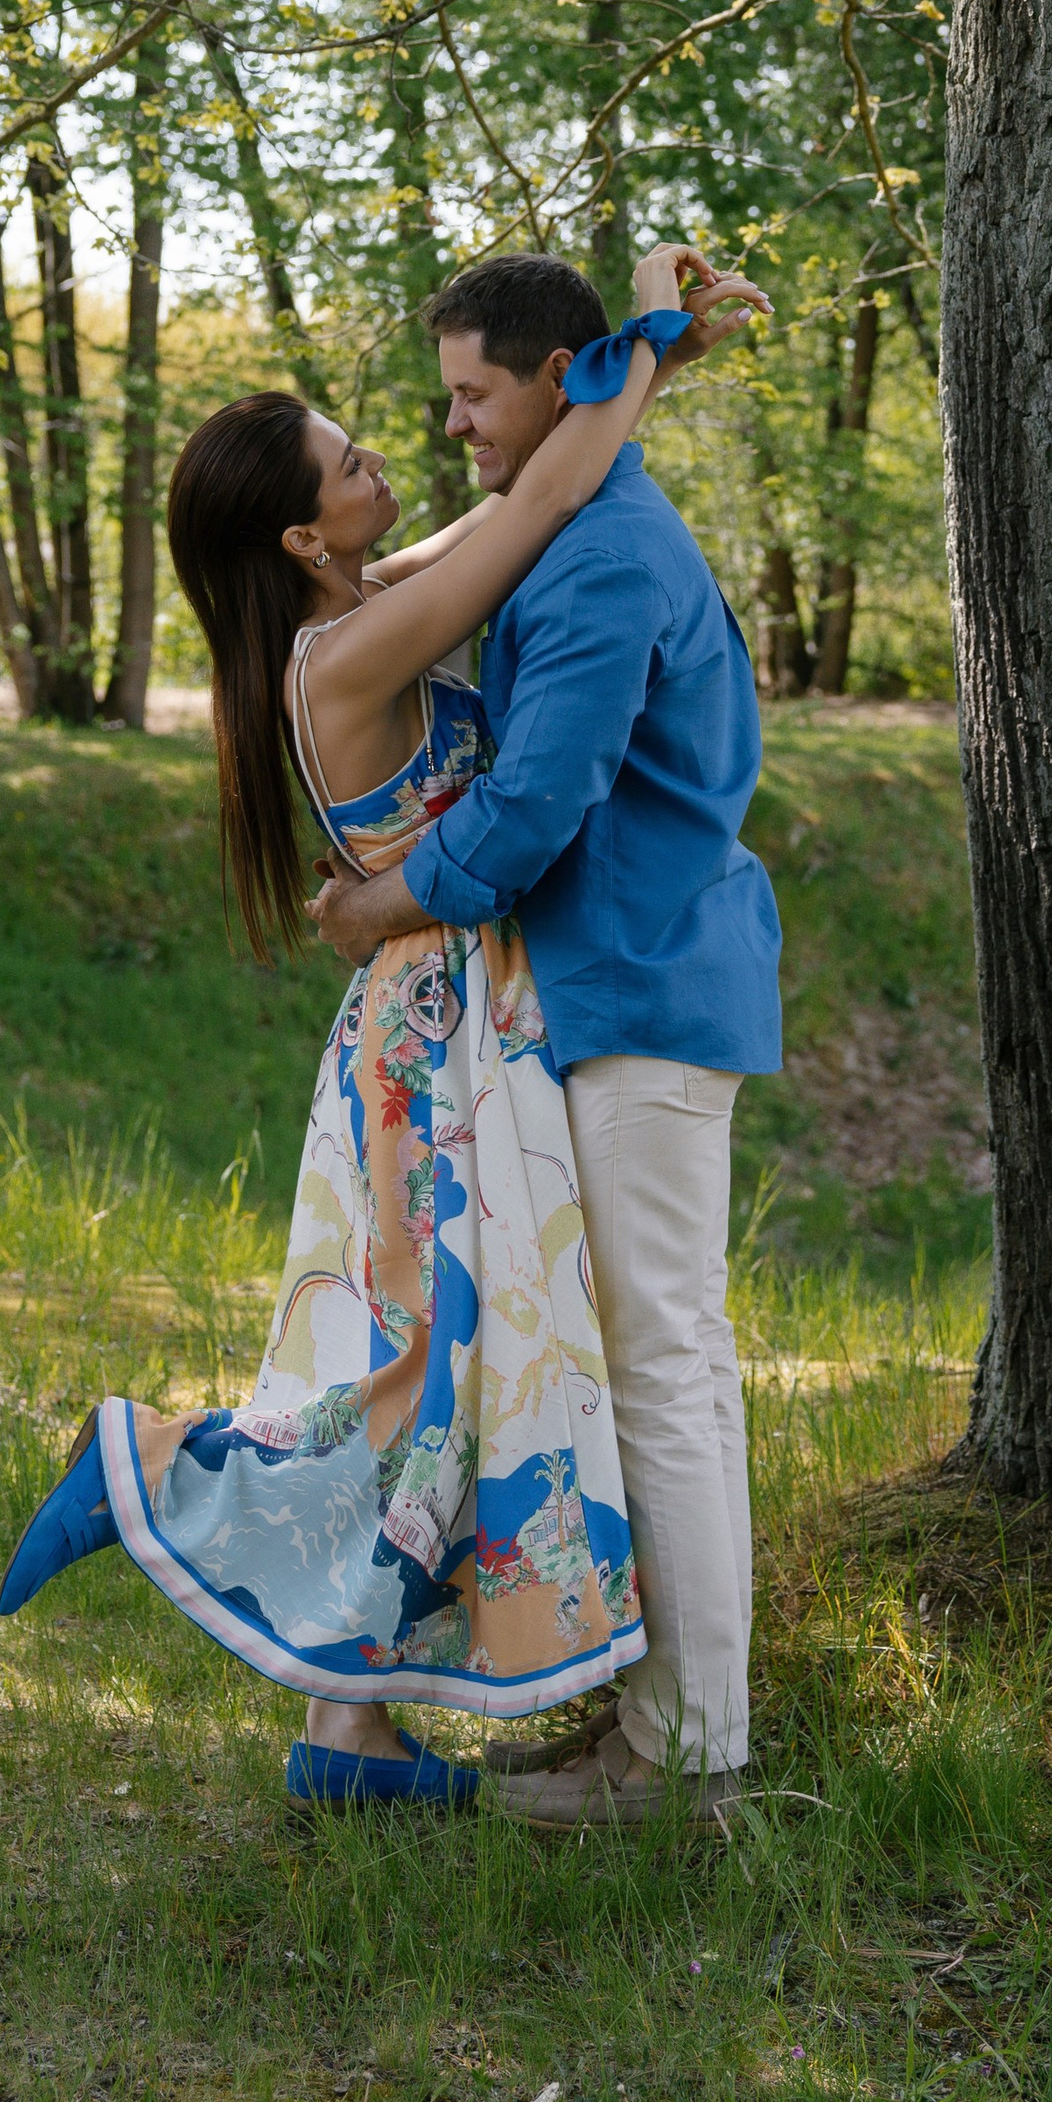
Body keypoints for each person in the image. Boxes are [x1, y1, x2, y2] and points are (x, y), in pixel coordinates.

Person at [0, 238, 765, 1809]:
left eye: (464, 397)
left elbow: (522, 501)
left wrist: (650, 353)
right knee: (425, 1376)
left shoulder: (380, 599)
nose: (409, 447)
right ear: (302, 528)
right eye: (357, 457)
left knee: (438, 1378)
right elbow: (535, 503)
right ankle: (159, 1466)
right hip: (435, 1035)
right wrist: (630, 353)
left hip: (468, 1007)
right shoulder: (349, 649)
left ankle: (349, 1733)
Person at [309, 251, 785, 1832]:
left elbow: (531, 809)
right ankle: (667, 1725)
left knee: (664, 1368)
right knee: (673, 1367)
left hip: (636, 986)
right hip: (632, 978)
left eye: (472, 393)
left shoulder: (595, 567)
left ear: (553, 379)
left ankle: (681, 1761)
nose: (452, 426)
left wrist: (387, 901)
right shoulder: (578, 526)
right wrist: (652, 342)